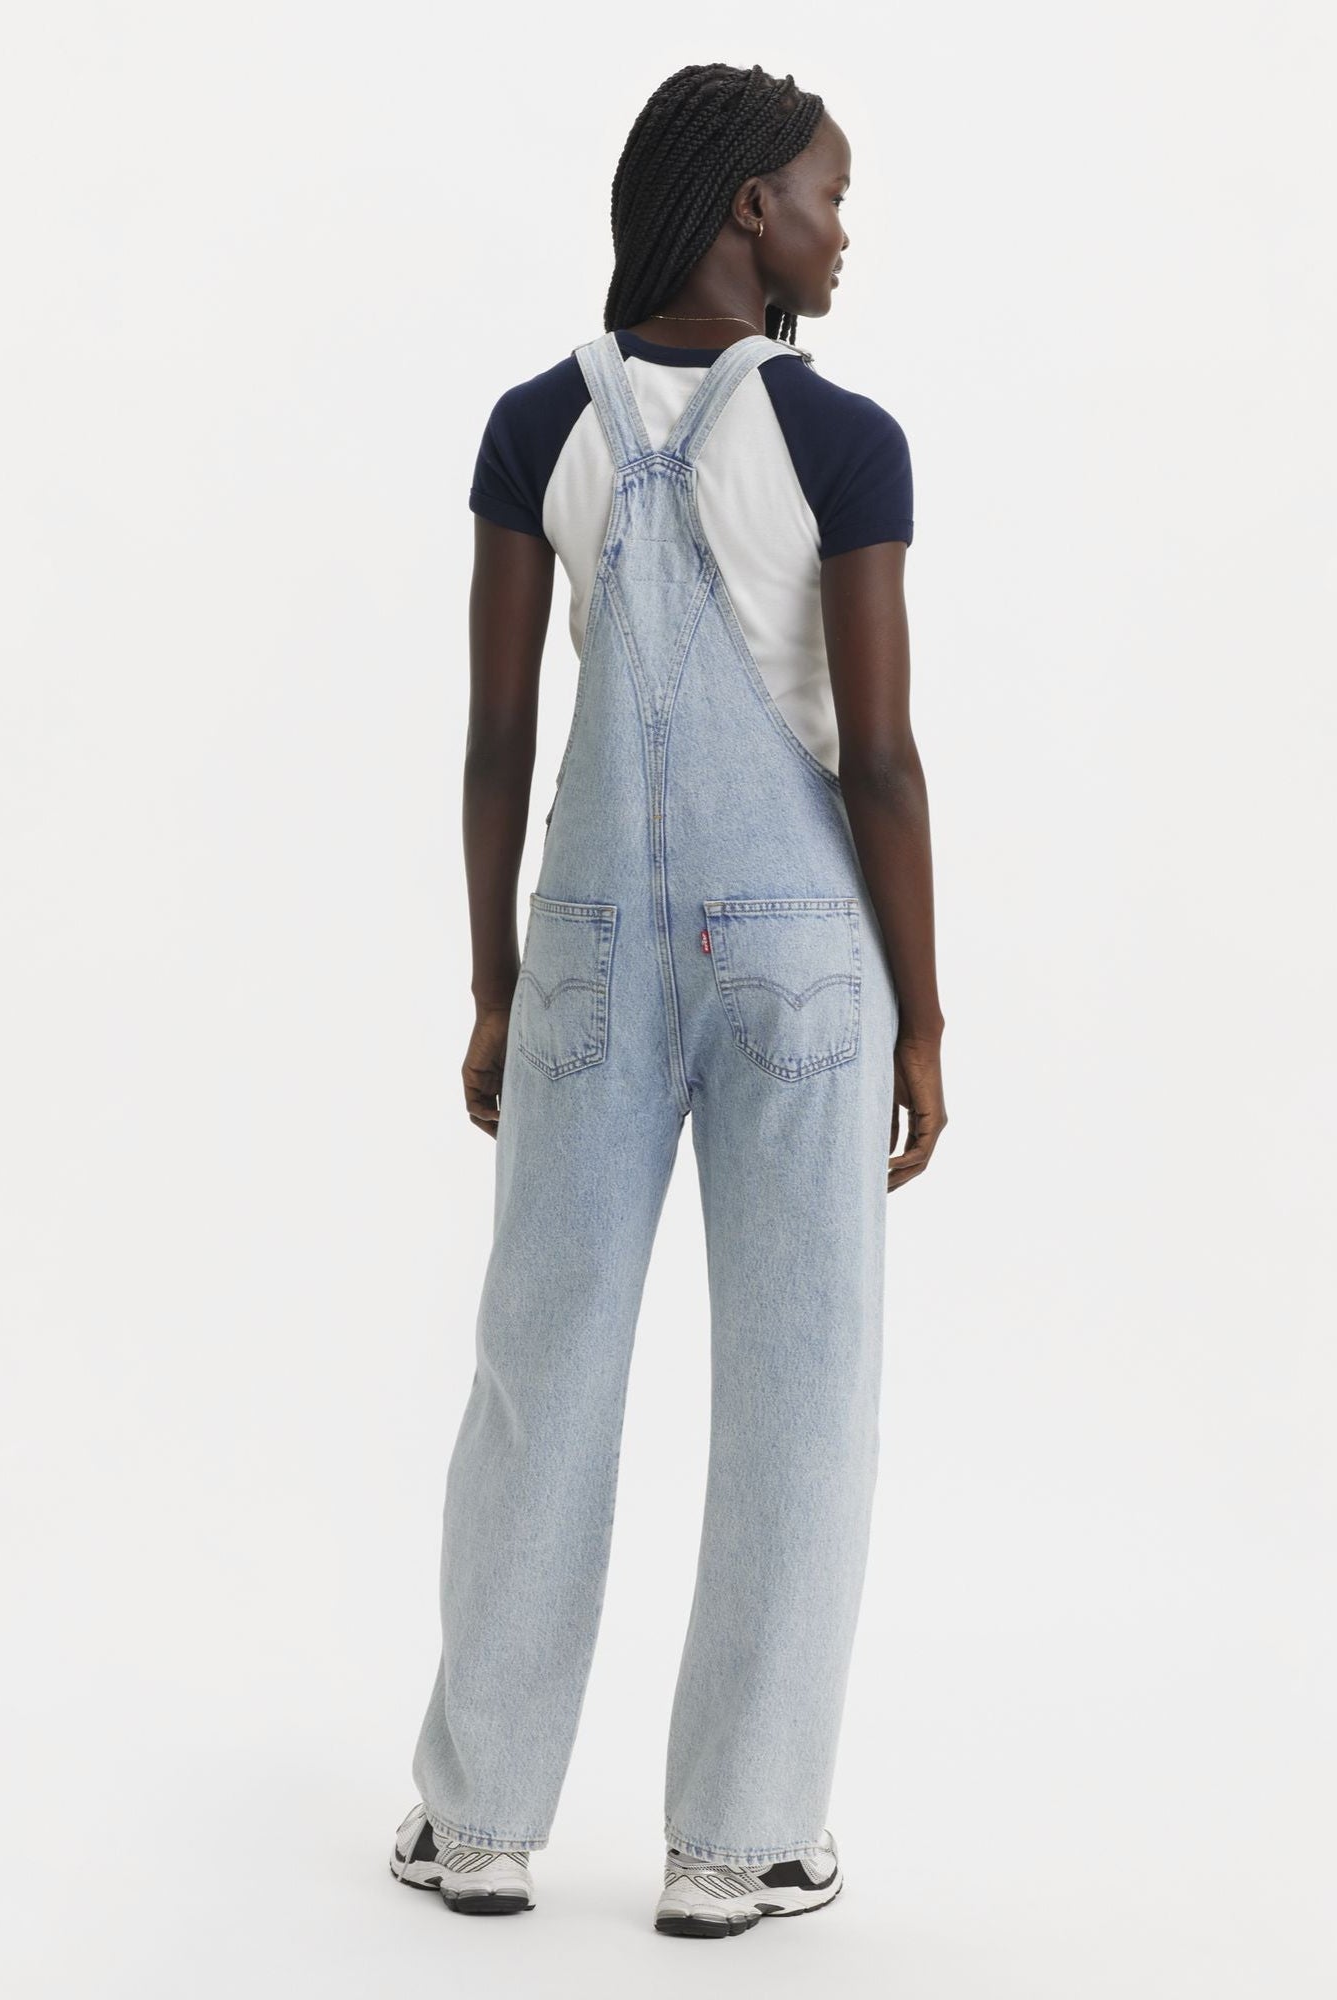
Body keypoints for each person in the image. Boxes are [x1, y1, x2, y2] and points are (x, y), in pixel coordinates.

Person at [389, 61, 947, 1939]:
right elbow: (881, 759)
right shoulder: (844, 441)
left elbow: (496, 737)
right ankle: (741, 1842)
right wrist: (924, 1019)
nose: (842, 231)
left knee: (540, 1369)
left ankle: (477, 1822)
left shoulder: (533, 424)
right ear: (744, 210)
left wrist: (493, 982)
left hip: (583, 957)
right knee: (803, 1388)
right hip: (803, 964)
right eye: (826, 196)